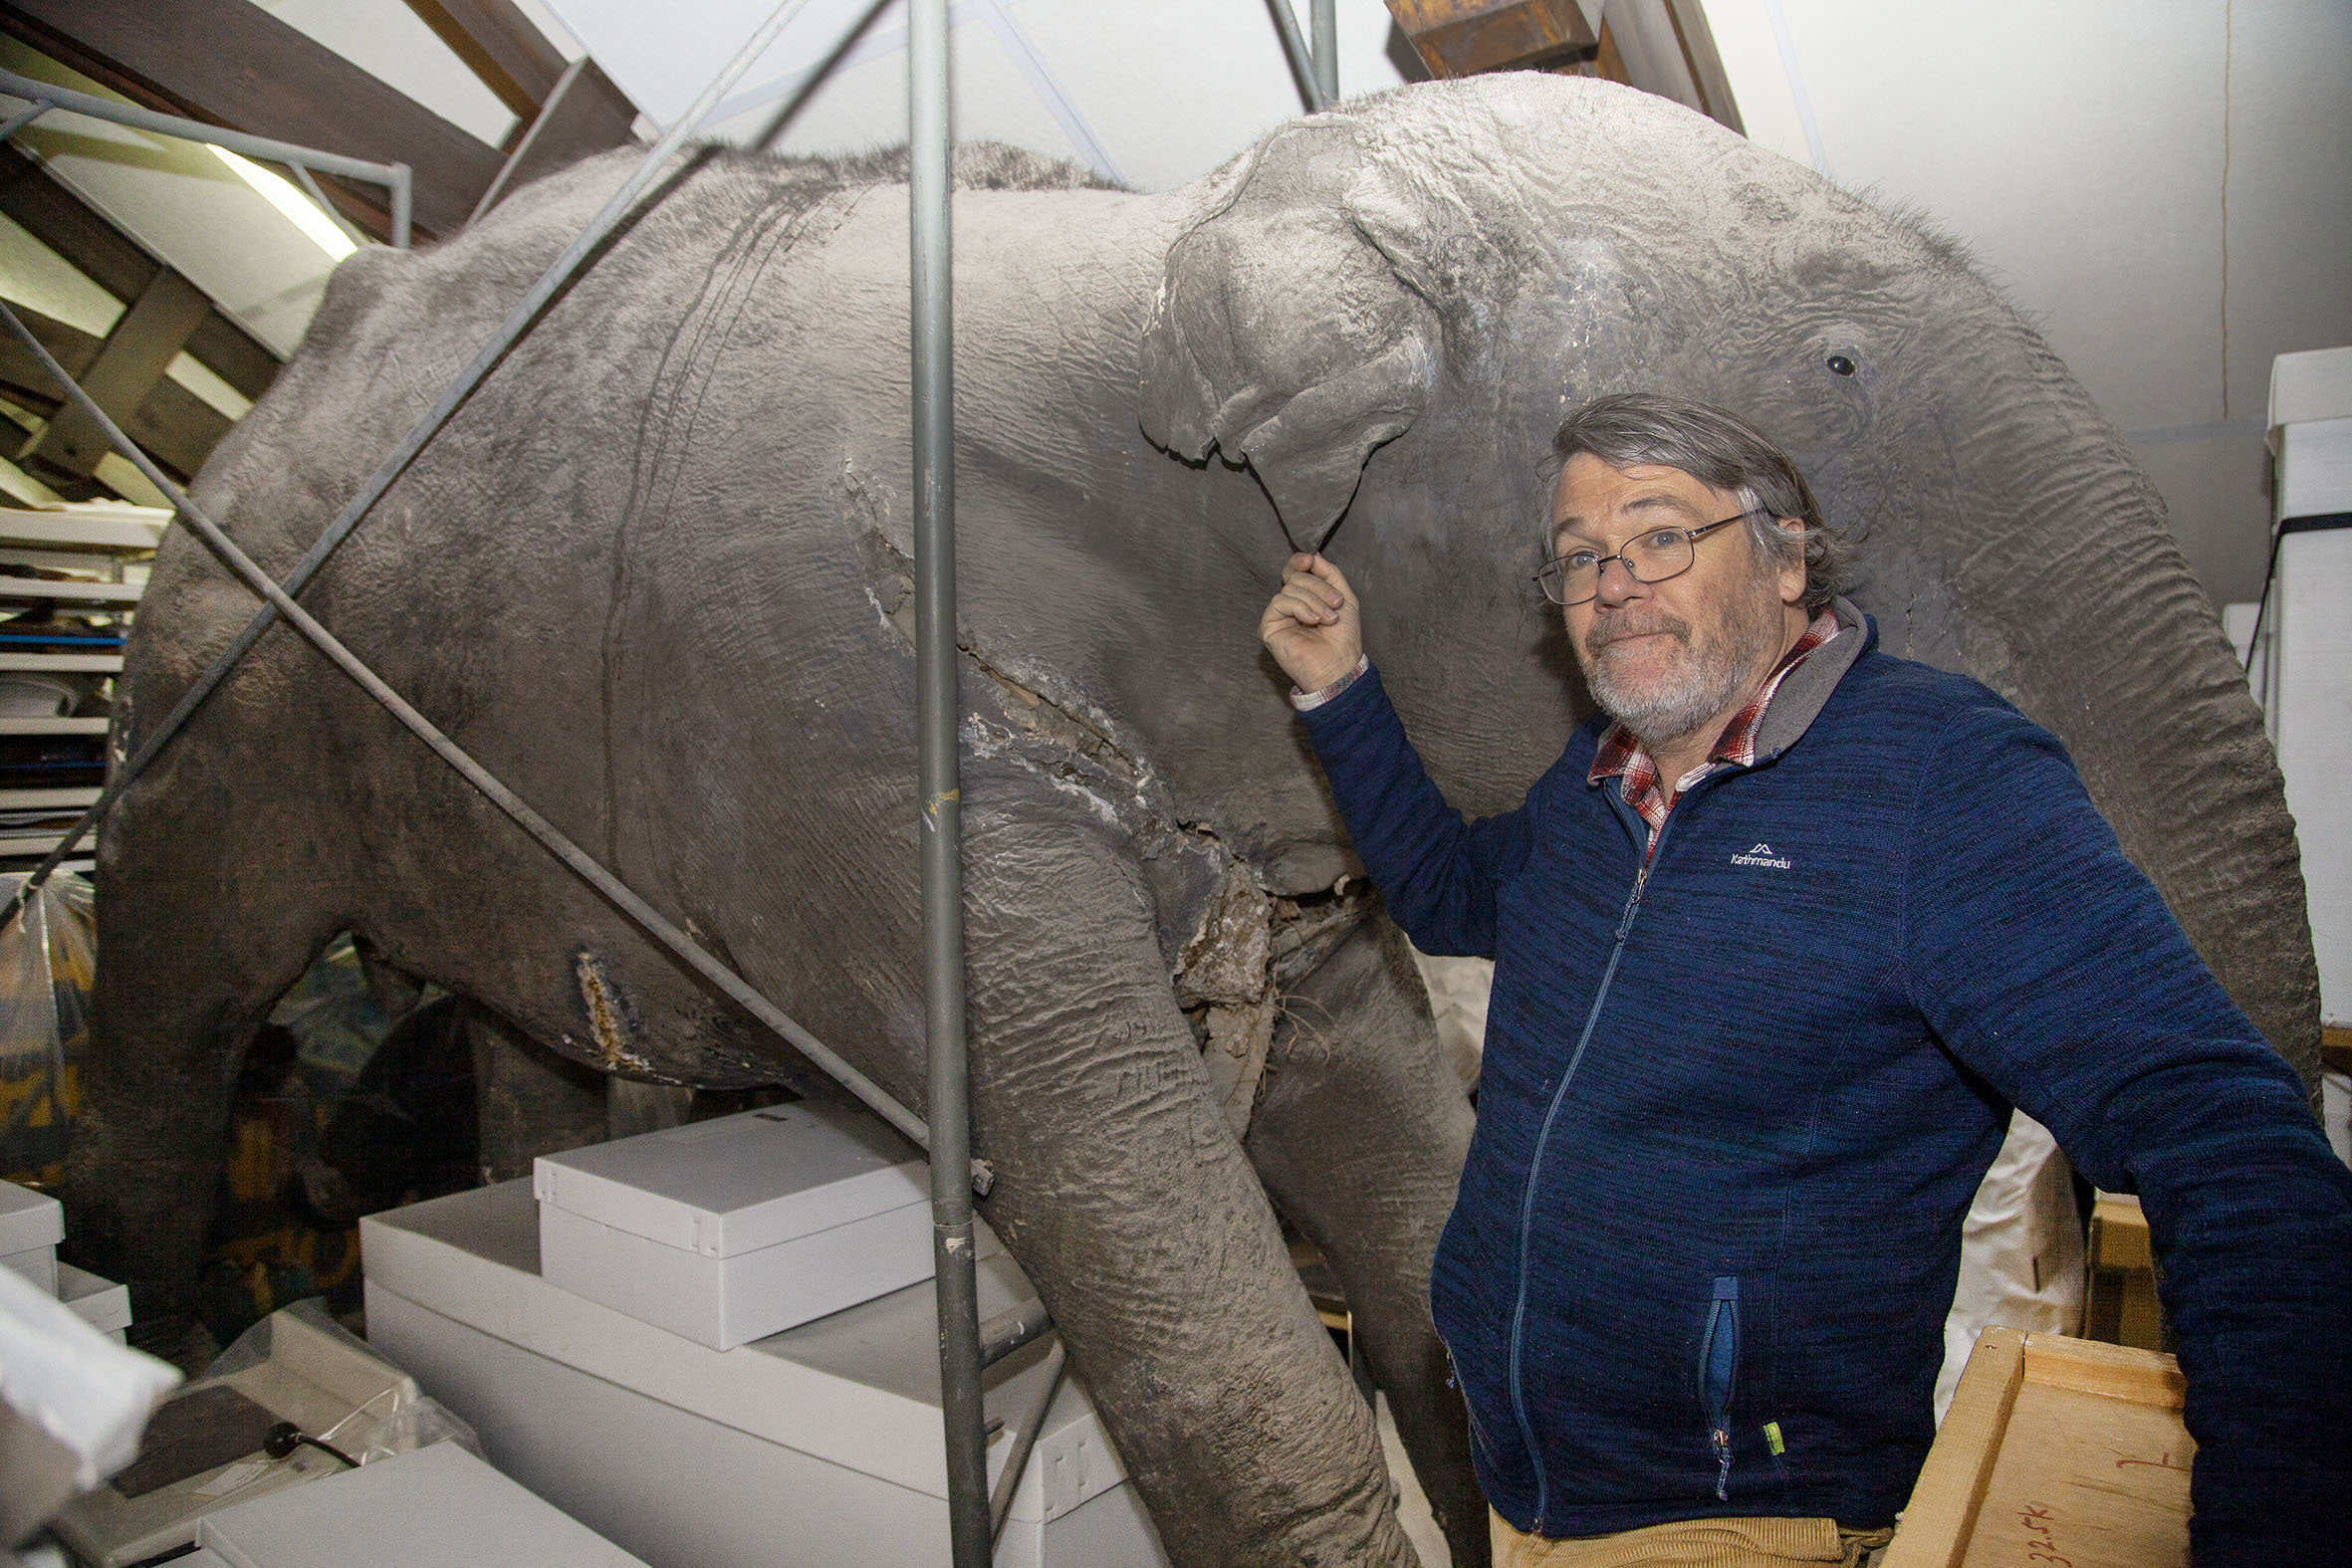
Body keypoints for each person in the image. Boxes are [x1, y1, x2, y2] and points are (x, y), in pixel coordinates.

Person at [1257, 392, 2352, 1568]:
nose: (1613, 581)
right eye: (1580, 556)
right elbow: (1448, 893)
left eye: (1661, 534)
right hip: (1526, 1480)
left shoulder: (1941, 778)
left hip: (1730, 1519)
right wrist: (1338, 687)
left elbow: (2226, 1136)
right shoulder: (1599, 775)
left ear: (1785, 560)